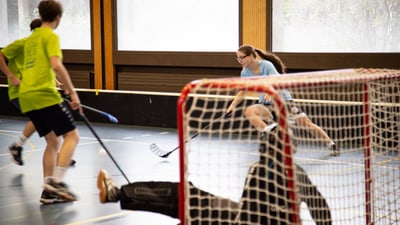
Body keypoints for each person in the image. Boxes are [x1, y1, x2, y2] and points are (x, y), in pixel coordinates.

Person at [96, 124, 332, 225]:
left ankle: (116, 194)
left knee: (185, 195)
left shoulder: (259, 170)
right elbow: (320, 207)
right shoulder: (298, 173)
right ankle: (118, 194)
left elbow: (247, 215)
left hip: (240, 221)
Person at [18, 0, 82, 204]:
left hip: (27, 97)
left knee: (53, 141)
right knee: (72, 136)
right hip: (44, 95)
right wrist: (72, 92)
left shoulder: (31, 39)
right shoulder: (50, 36)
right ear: (57, 18)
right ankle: (56, 183)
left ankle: (48, 192)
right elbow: (56, 64)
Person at [226, 44, 340, 156]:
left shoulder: (267, 65)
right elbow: (243, 90)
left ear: (251, 56)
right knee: (250, 112)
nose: (239, 60)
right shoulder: (245, 73)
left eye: (242, 57)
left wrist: (271, 92)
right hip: (266, 104)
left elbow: (276, 81)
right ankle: (269, 133)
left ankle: (331, 144)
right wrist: (232, 106)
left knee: (306, 124)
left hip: (284, 101)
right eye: (237, 58)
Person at [0, 19, 77, 168]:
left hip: (34, 91)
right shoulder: (24, 43)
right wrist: (12, 76)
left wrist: (55, 81)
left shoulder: (37, 46)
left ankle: (22, 147)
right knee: (48, 126)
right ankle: (22, 147)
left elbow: (41, 66)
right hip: (20, 92)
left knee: (50, 133)